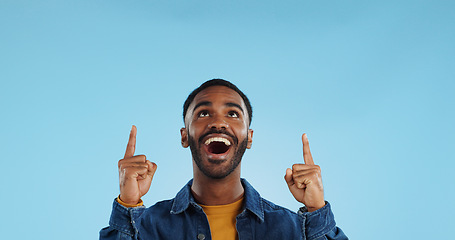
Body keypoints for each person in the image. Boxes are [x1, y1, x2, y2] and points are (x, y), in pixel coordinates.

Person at [100, 79, 347, 240]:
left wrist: (317, 211)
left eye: (232, 113)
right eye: (203, 113)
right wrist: (129, 205)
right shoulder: (149, 226)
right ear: (185, 136)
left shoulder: (292, 229)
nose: (218, 122)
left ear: (248, 137)